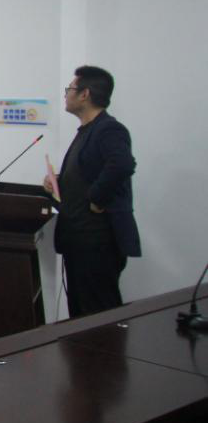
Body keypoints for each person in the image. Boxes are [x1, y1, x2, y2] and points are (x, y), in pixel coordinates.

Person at [44, 66, 140, 317]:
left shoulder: (108, 129)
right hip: (78, 239)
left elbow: (122, 164)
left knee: (99, 316)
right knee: (81, 315)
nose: (66, 94)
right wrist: (58, 183)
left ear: (84, 94)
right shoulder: (87, 131)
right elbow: (87, 175)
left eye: (70, 89)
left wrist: (97, 198)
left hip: (97, 242)